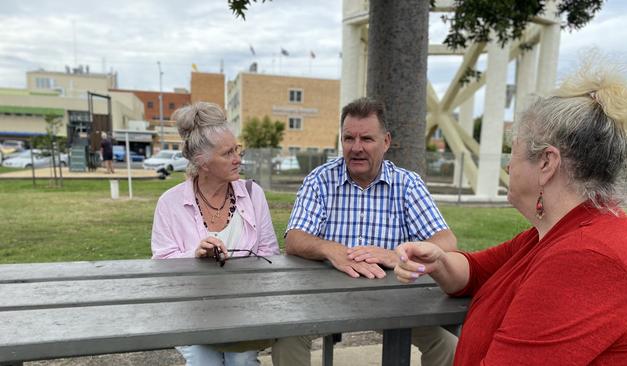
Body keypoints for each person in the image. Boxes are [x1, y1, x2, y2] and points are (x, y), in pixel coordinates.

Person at [395, 59, 627, 365]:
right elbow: (476, 271)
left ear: (546, 163)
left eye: (513, 154)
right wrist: (437, 261)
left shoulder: (585, 257)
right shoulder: (554, 235)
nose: (508, 166)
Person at [275, 97, 458, 365]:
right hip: (324, 298)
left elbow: (447, 241)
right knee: (286, 339)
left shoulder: (407, 184)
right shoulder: (320, 180)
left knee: (448, 346)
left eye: (367, 139)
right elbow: (294, 239)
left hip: (395, 301)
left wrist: (398, 258)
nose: (356, 148)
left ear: (386, 142)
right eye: (349, 138)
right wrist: (331, 250)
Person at [151, 102, 280, 366]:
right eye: (227, 153)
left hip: (243, 307)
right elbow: (162, 263)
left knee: (241, 360)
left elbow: (269, 252)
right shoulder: (170, 203)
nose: (237, 158)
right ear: (203, 163)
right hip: (190, 310)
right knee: (203, 362)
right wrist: (194, 256)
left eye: (237, 149)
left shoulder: (253, 194)